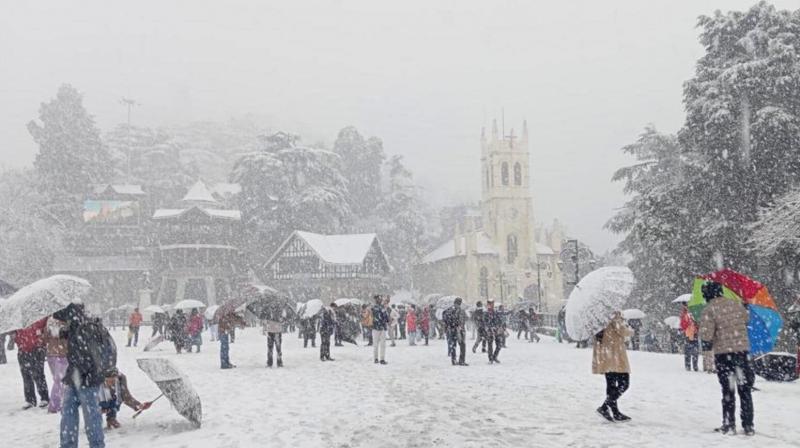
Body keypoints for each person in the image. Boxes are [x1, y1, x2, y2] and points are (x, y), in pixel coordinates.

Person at [700, 281, 754, 436]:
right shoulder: (736, 304)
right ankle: (748, 425)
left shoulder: (709, 309)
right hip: (742, 352)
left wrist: (705, 335)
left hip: (724, 355)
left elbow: (706, 335)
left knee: (728, 390)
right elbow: (746, 319)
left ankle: (729, 424)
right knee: (744, 389)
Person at [53, 302, 108, 448]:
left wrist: (80, 374)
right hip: (76, 377)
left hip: (86, 378)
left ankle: (95, 445)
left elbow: (88, 356)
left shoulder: (85, 327)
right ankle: (69, 444)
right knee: (69, 414)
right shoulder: (77, 325)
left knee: (90, 417)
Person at [594, 311, 632, 422]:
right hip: (615, 357)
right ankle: (605, 407)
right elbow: (624, 331)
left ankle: (614, 412)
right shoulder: (614, 315)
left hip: (606, 356)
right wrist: (630, 328)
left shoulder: (600, 318)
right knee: (624, 384)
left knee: (611, 385)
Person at [15, 318, 50, 409]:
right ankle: (30, 400)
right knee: (26, 376)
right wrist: (18, 340)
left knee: (39, 374)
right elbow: (15, 334)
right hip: (23, 350)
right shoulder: (18, 319)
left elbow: (46, 329)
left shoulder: (40, 317)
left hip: (37, 349)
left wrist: (41, 339)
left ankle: (44, 397)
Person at [45, 317, 69, 413]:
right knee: (59, 381)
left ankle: (57, 403)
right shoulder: (65, 322)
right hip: (61, 354)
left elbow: (45, 339)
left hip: (52, 354)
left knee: (58, 380)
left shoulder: (50, 321)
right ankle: (55, 405)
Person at [443, 297, 468, 366]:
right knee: (462, 345)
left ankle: (453, 360)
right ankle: (461, 360)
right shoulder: (460, 310)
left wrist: (448, 325)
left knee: (453, 345)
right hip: (459, 329)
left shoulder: (448, 310)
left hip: (452, 329)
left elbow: (445, 319)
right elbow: (465, 318)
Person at [263, 303, 286, 368]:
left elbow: (265, 322)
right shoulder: (280, 310)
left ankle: (270, 363)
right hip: (277, 331)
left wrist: (266, 325)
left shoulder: (267, 311)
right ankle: (279, 362)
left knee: (270, 348)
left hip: (271, 331)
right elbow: (283, 321)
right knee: (278, 348)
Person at [680, 305, 699, 371]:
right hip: (688, 335)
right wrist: (688, 322)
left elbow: (698, 326)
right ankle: (688, 366)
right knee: (688, 352)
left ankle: (695, 366)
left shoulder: (695, 315)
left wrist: (696, 323)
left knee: (695, 352)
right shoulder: (684, 316)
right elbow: (683, 326)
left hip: (694, 335)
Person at [371, 295, 389, 364]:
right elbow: (386, 318)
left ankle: (376, 358)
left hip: (376, 327)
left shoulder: (373, 308)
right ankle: (381, 359)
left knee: (376, 344)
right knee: (382, 344)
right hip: (381, 327)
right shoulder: (381, 308)